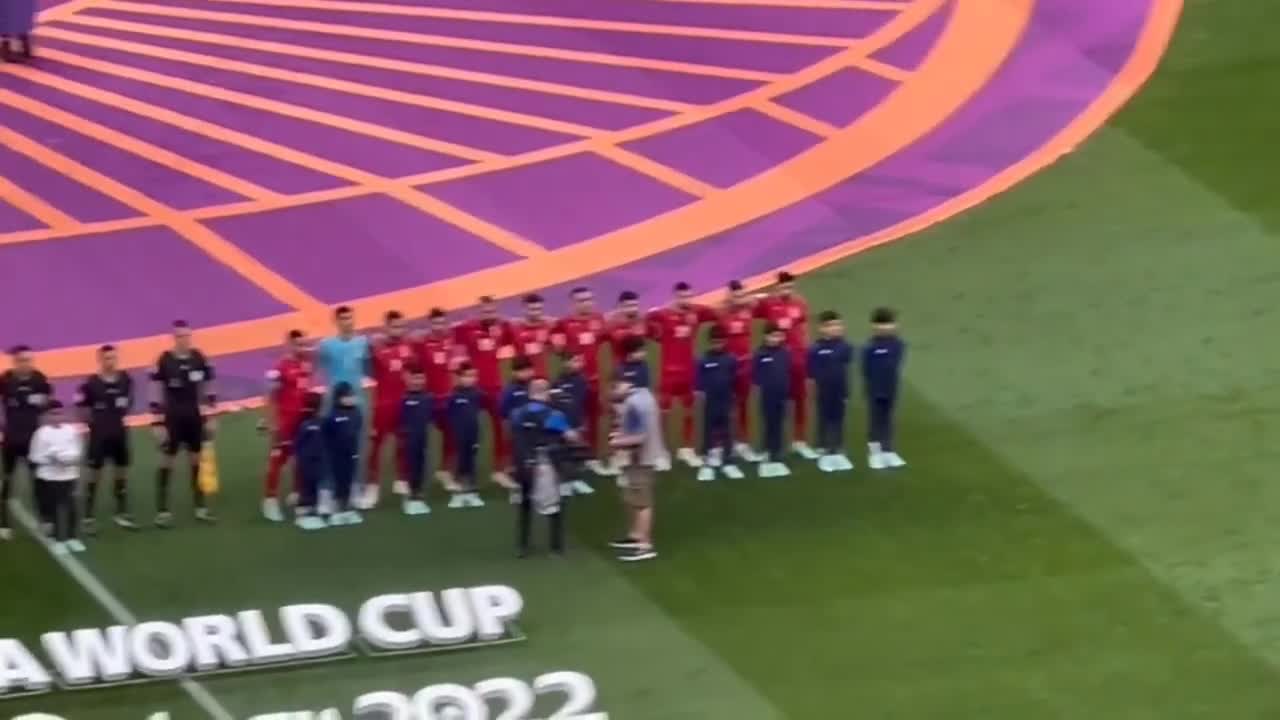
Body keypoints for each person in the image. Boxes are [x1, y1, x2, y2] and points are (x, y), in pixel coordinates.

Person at [150, 321, 217, 527]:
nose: (184, 339)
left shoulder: (199, 358)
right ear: (174, 338)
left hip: (194, 418)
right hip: (172, 419)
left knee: (196, 462)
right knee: (166, 462)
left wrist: (212, 416)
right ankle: (162, 511)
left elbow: (209, 385)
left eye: (187, 335)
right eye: (180, 336)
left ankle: (200, 507)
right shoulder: (164, 360)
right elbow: (154, 390)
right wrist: (157, 423)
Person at [647, 281, 717, 468]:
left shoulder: (696, 312)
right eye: (682, 296)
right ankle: (661, 452)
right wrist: (657, 336)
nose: (686, 300)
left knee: (689, 411)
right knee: (664, 414)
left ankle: (686, 449)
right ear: (675, 296)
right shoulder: (663, 314)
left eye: (689, 296)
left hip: (688, 372)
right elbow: (647, 320)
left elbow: (715, 314)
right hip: (668, 373)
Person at [510, 378, 580, 558]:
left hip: (523, 464)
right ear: (546, 393)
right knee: (554, 506)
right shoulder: (553, 415)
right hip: (545, 464)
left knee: (525, 504)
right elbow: (572, 437)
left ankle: (522, 546)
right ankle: (555, 548)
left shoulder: (517, 413)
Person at [453, 296, 515, 490]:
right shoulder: (467, 328)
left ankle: (499, 470)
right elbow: (447, 334)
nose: (489, 314)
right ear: (478, 311)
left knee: (501, 427)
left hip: (495, 387)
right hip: (472, 389)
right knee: (467, 433)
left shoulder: (502, 327)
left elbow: (516, 334)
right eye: (485, 311)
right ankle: (463, 473)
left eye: (492, 311)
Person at [755, 272, 817, 460]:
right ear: (776, 287)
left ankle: (799, 441)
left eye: (789, 287)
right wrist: (758, 297)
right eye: (783, 287)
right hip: (776, 361)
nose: (786, 290)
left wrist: (806, 354)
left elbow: (803, 330)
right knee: (773, 405)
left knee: (800, 402)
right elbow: (747, 309)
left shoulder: (800, 303)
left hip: (798, 360)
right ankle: (770, 445)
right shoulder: (768, 305)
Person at [551, 286, 611, 476]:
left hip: (593, 380)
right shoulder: (563, 324)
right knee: (572, 422)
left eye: (589, 299)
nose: (586, 303)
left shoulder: (598, 319)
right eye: (581, 300)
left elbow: (606, 337)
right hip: (572, 383)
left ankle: (592, 458)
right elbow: (555, 346)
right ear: (573, 303)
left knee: (594, 421)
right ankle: (573, 460)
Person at [76, 344, 137, 533]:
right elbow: (80, 408)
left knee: (121, 472)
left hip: (119, 432)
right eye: (107, 358)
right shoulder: (90, 384)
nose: (111, 361)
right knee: (95, 474)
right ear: (100, 360)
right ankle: (88, 516)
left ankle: (120, 512)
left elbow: (129, 403)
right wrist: (92, 423)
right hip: (99, 436)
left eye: (113, 358)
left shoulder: (126, 380)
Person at [608, 378, 664, 562]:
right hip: (643, 458)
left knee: (643, 504)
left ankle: (644, 545)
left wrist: (616, 441)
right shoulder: (645, 396)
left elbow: (640, 437)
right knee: (633, 499)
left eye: (613, 389)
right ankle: (635, 536)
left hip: (640, 460)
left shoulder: (633, 404)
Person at [0, 345, 52, 540]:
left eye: (29, 360)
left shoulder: (40, 380)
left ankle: (45, 519)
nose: (26, 364)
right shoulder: (5, 380)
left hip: (34, 441)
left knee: (39, 481)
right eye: (22, 360)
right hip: (11, 440)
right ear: (15, 362)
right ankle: (3, 523)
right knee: (7, 481)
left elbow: (48, 405)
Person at [261, 330, 313, 522]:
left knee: (302, 458)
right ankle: (270, 500)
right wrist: (271, 423)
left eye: (304, 344)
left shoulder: (307, 362)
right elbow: (269, 396)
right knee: (278, 460)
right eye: (298, 345)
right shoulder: (280, 368)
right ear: (289, 345)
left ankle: (297, 493)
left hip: (303, 420)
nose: (302, 348)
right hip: (285, 422)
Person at [366, 310, 415, 509]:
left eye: (401, 326)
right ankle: (372, 487)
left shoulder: (408, 346)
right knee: (376, 447)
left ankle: (401, 479)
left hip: (403, 403)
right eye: (394, 326)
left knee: (403, 441)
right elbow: (367, 367)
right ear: (386, 327)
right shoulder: (376, 347)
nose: (398, 330)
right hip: (383, 406)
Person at [29, 401, 84, 555]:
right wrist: (52, 459)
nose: (57, 417)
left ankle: (72, 537)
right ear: (47, 416)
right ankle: (57, 539)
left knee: (71, 507)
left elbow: (77, 451)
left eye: (59, 413)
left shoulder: (71, 430)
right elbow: (34, 457)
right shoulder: (41, 433)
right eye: (53, 414)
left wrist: (69, 459)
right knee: (55, 508)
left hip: (69, 475)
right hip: (49, 477)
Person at [419, 308, 464, 489]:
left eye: (442, 323)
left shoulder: (450, 339)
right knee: (418, 437)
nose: (439, 326)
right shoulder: (421, 343)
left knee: (451, 434)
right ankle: (416, 474)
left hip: (446, 397)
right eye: (435, 323)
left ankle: (444, 472)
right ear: (429, 324)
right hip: (427, 398)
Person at [719, 280, 762, 462]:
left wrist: (752, 296)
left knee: (743, 406)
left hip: (745, 365)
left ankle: (743, 443)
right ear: (729, 296)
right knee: (724, 407)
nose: (739, 299)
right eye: (735, 296)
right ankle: (722, 445)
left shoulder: (748, 309)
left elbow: (759, 301)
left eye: (741, 295)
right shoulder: (722, 313)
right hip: (727, 367)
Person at [808, 311, 856, 472]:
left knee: (839, 419)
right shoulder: (815, 349)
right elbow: (811, 373)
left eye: (839, 325)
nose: (837, 328)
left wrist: (846, 392)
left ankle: (838, 447)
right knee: (824, 420)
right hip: (823, 391)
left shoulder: (846, 347)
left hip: (840, 390)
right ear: (822, 328)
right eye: (832, 325)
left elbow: (845, 369)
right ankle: (823, 447)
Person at [695, 327, 744, 481]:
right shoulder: (703, 360)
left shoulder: (730, 359)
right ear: (709, 342)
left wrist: (734, 397)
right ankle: (708, 463)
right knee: (708, 431)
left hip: (726, 401)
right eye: (714, 342)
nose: (718, 345)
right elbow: (699, 382)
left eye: (720, 342)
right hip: (710, 402)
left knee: (727, 431)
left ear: (725, 341)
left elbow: (735, 379)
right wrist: (701, 394)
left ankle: (728, 462)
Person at [863, 307, 907, 470]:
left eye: (888, 324)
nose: (885, 327)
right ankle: (874, 453)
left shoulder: (899, 345)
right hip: (875, 389)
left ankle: (888, 450)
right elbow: (866, 370)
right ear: (874, 326)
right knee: (876, 421)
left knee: (888, 420)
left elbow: (897, 365)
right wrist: (871, 388)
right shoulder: (870, 347)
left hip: (891, 388)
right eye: (881, 324)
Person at [552, 351, 594, 496]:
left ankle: (576, 480)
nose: (579, 364)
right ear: (565, 363)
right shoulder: (557, 382)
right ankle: (564, 483)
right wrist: (561, 427)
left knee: (576, 453)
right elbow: (554, 406)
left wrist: (582, 422)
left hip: (577, 422)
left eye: (580, 361)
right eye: (575, 361)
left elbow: (582, 403)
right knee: (564, 454)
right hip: (563, 426)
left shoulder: (582, 381)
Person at [753, 323, 791, 478]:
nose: (775, 339)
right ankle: (767, 449)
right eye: (772, 336)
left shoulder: (784, 352)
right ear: (765, 336)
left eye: (777, 336)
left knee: (779, 422)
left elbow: (786, 372)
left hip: (781, 394)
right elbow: (756, 377)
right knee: (769, 422)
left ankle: (777, 450)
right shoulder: (760, 353)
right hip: (767, 395)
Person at [445, 362, 485, 508]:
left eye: (473, 376)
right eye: (467, 376)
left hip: (473, 435)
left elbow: (478, 412)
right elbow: (449, 414)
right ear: (459, 377)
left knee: (472, 463)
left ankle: (472, 492)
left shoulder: (477, 393)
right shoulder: (454, 395)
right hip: (458, 436)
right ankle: (458, 493)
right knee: (460, 463)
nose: (470, 379)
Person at [323, 382, 363, 525]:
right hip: (336, 455)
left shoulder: (356, 412)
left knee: (348, 478)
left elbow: (357, 428)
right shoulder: (332, 415)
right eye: (347, 396)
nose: (350, 399)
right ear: (338, 398)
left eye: (351, 395)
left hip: (351, 453)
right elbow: (326, 434)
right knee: (338, 480)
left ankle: (346, 506)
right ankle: (336, 506)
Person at [399, 365, 432, 516]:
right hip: (409, 439)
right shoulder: (405, 399)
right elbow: (400, 420)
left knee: (421, 463)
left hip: (422, 438)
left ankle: (418, 491)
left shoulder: (427, 397)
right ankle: (411, 492)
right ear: (408, 379)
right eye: (415, 378)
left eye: (421, 378)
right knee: (411, 465)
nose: (418, 381)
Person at [292, 392, 327, 531]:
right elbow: (298, 443)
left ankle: (312, 506)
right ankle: (303, 507)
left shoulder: (320, 422)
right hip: (307, 461)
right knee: (307, 484)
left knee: (314, 483)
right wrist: (301, 458)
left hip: (317, 460)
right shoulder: (306, 424)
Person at [512, 293, 554, 378]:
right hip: (523, 378)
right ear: (523, 309)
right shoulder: (514, 328)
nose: (536, 313)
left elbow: (555, 350)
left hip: (543, 377)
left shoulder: (548, 326)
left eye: (539, 309)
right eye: (532, 310)